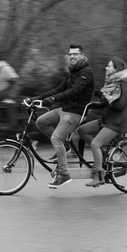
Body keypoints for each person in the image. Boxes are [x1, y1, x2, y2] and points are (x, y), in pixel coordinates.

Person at [26, 44, 94, 188]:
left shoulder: (86, 73)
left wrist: (53, 99)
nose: (72, 57)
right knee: (41, 121)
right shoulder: (73, 72)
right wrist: (35, 98)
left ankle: (63, 174)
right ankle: (65, 146)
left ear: (82, 55)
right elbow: (59, 89)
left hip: (76, 113)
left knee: (56, 137)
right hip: (65, 109)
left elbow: (74, 91)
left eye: (75, 54)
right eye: (70, 55)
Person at [77, 58, 127, 187]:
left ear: (116, 70)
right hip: (106, 121)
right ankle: (100, 155)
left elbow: (118, 105)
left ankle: (99, 175)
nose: (106, 68)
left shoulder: (122, 85)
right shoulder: (111, 84)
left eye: (109, 66)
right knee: (82, 130)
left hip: (116, 124)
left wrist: (102, 96)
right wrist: (89, 104)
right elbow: (106, 103)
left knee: (95, 144)